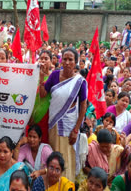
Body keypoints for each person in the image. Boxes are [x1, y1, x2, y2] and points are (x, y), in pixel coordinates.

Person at [39, 48, 87, 181]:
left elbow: (83, 106)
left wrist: (76, 129)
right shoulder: (54, 75)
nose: (67, 62)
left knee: (67, 158)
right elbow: (43, 94)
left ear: (76, 62)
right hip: (54, 124)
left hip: (69, 127)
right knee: (54, 155)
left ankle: (66, 185)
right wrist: (42, 76)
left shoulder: (80, 82)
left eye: (70, 59)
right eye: (64, 59)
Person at [31, 50, 52, 143]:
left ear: (50, 62)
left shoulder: (53, 77)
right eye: (41, 58)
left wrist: (42, 77)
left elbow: (43, 95)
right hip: (31, 115)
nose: (43, 61)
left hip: (45, 115)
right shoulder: (32, 75)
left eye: (46, 59)